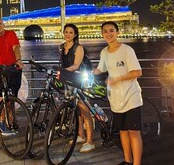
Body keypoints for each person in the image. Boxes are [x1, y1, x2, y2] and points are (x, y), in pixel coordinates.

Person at [93, 21, 143, 165]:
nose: (108, 34)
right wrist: (88, 72)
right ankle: (127, 161)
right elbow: (100, 69)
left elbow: (137, 72)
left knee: (134, 132)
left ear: (117, 32)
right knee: (122, 131)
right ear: (102, 34)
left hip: (131, 96)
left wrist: (117, 79)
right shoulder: (104, 52)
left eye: (111, 30)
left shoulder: (126, 50)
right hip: (115, 98)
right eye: (105, 31)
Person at [60, 23, 95, 153]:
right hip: (69, 80)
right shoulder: (62, 47)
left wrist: (61, 71)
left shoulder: (78, 47)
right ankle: (81, 135)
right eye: (66, 32)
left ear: (75, 34)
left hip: (81, 80)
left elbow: (76, 65)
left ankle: (90, 141)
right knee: (77, 110)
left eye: (70, 32)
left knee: (85, 110)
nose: (68, 34)